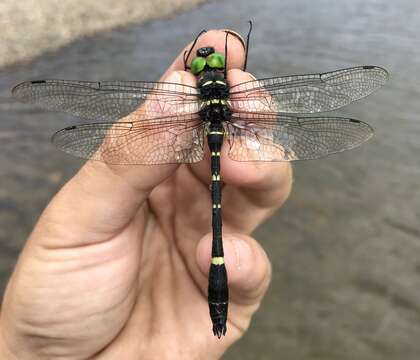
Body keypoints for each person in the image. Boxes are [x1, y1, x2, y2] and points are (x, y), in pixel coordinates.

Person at [0, 29, 292, 359]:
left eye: (208, 61)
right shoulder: (220, 93)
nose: (209, 60)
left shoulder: (192, 92)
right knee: (243, 179)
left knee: (251, 171)